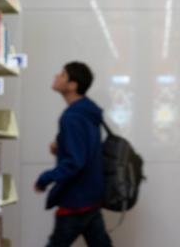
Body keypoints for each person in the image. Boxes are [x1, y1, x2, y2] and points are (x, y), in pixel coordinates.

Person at [35, 62, 112, 247]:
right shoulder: (87, 112)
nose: (56, 76)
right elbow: (86, 149)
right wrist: (61, 146)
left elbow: (74, 163)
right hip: (91, 197)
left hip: (75, 201)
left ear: (72, 85)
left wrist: (44, 178)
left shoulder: (72, 117)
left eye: (62, 74)